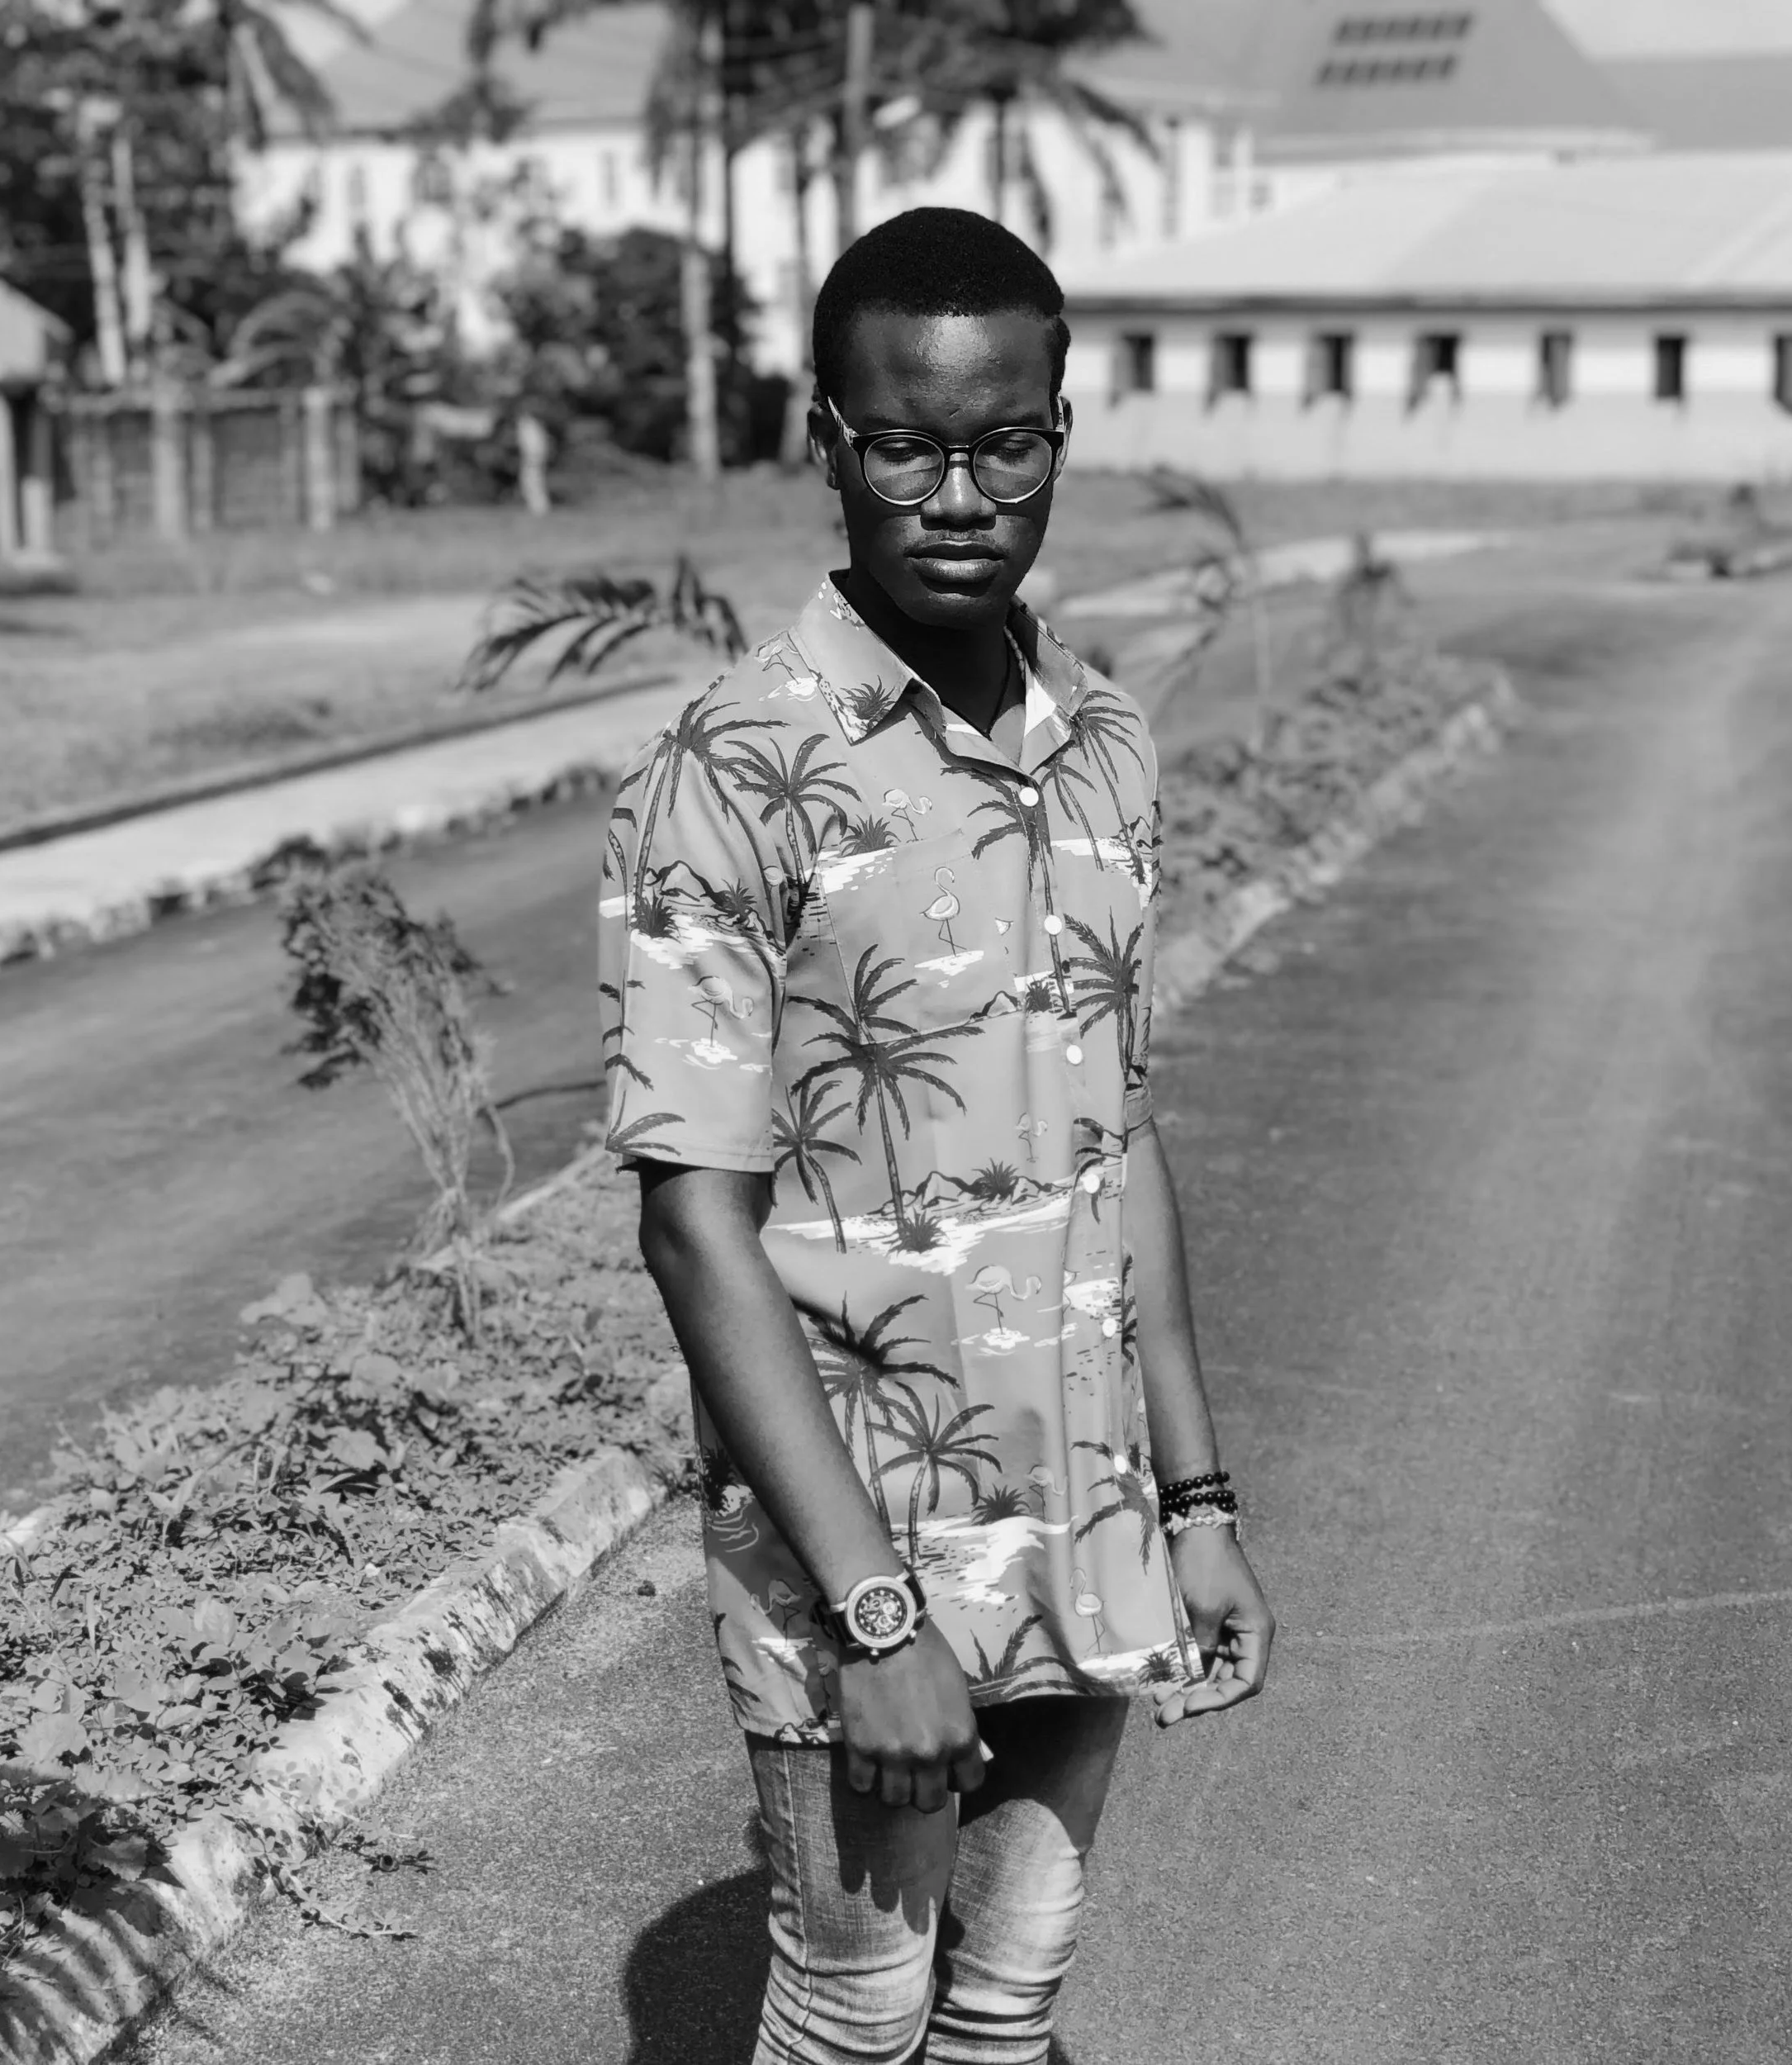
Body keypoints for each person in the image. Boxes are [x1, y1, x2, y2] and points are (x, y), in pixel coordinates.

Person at [600, 205, 1274, 2065]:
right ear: (826, 440)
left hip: (1086, 1518)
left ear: (1060, 434)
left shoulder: (1106, 741)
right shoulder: (735, 767)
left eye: (1004, 443)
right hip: (864, 1551)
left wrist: (1198, 1503)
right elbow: (691, 1224)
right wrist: (877, 1616)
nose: (958, 496)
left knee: (1009, 2003)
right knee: (853, 2013)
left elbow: (1119, 1133)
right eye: (903, 444)